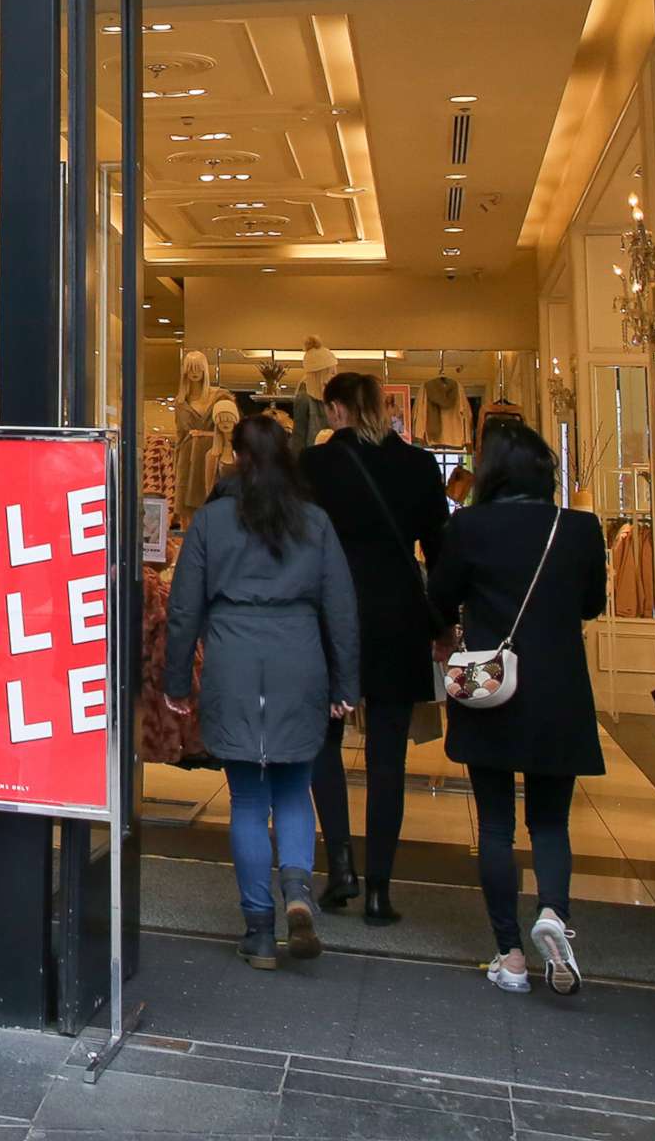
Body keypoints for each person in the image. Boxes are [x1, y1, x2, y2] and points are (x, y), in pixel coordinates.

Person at [163, 413, 359, 969]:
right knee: (295, 789)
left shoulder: (211, 521)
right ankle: (297, 891)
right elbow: (341, 609)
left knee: (248, 799)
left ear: (236, 457)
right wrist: (346, 684)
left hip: (234, 658)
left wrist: (178, 681)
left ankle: (258, 931)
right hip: (300, 659)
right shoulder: (315, 523)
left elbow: (183, 610)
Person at [429, 419, 607, 996]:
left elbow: (439, 599)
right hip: (560, 689)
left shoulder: (470, 527)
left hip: (492, 686)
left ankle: (509, 955)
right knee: (551, 821)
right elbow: (593, 604)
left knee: (498, 824)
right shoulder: (579, 529)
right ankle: (553, 912)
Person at [300, 369, 449, 922]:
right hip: (398, 612)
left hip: (329, 607)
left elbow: (295, 542)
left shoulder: (314, 467)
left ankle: (340, 868)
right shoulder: (418, 465)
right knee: (389, 755)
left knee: (323, 741)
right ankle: (381, 889)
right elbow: (438, 548)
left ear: (336, 410)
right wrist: (445, 621)